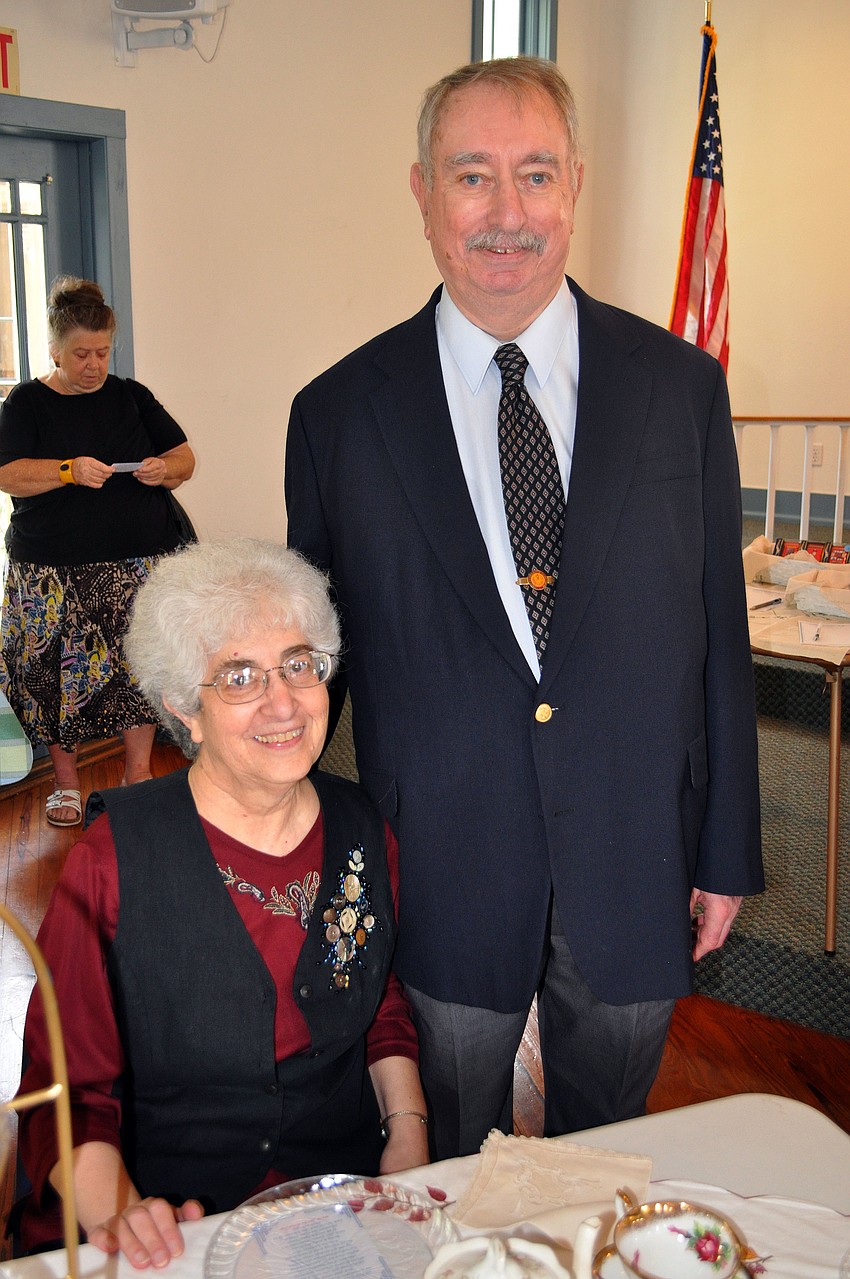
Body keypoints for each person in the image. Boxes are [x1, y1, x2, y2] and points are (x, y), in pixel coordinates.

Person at [285, 56, 763, 1161]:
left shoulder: (679, 388)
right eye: (471, 176)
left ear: (575, 186)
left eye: (534, 174)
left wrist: (726, 844)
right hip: (441, 863)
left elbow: (717, 635)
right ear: (420, 191)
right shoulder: (338, 414)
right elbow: (316, 667)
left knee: (606, 1146)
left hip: (640, 851)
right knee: (451, 1148)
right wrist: (284, 847)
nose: (507, 213)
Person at [14, 537, 428, 1268]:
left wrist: (408, 1127)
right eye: (239, 676)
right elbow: (66, 1091)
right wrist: (123, 1212)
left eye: (299, 663)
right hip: (175, 1216)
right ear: (185, 708)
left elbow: (380, 999)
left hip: (339, 1192)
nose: (284, 701)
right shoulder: (112, 862)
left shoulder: (361, 825)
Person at [0, 276, 195, 827]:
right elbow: (8, 474)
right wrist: (66, 470)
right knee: (49, 676)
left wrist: (164, 470)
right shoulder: (27, 402)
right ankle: (66, 783)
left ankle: (137, 777)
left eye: (102, 352)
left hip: (137, 564)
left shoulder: (132, 396)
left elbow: (184, 458)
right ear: (55, 350)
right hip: (50, 574)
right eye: (80, 354)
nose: (93, 364)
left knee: (139, 672)